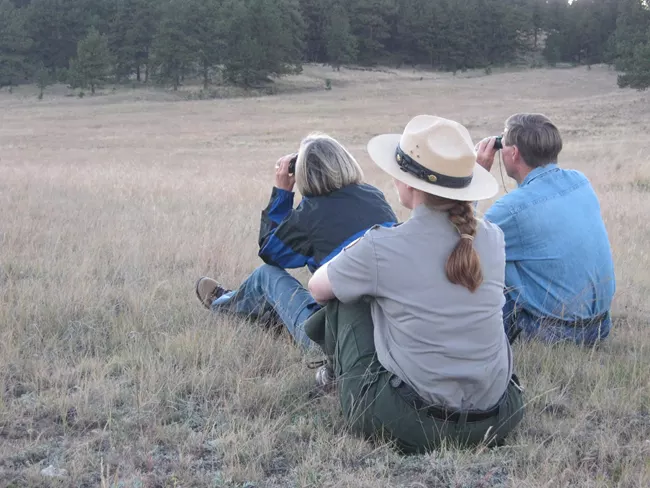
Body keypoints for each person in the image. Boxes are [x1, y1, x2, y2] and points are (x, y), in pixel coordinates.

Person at [304, 115, 525, 454]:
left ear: (407, 183)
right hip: (498, 417)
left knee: (346, 299)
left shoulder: (383, 247)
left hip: (410, 423)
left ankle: (334, 376)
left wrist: (358, 250)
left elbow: (318, 288)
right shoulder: (493, 237)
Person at [195, 132, 397, 350]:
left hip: (338, 342)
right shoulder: (374, 196)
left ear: (303, 174)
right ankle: (270, 315)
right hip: (391, 326)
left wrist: (282, 193)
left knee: (265, 275)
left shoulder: (310, 215)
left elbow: (270, 252)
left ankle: (223, 305)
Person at [475, 113, 616, 346]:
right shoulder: (580, 181)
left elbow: (460, 243)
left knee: (483, 263)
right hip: (600, 325)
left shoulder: (511, 210)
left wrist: (476, 177)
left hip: (557, 332)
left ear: (514, 153)